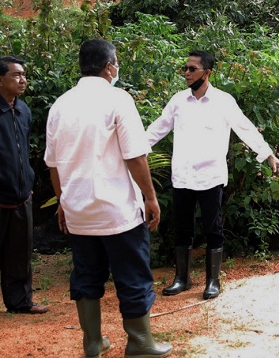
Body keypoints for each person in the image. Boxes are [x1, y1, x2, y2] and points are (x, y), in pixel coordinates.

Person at [44, 39, 172, 358]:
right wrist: (151, 197)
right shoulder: (118, 99)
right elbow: (135, 156)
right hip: (118, 213)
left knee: (86, 274)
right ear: (110, 65)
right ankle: (141, 343)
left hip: (78, 213)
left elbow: (53, 165)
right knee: (132, 274)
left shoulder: (60, 105)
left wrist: (63, 202)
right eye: (116, 63)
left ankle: (92, 343)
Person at [146, 50, 279, 300]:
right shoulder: (178, 101)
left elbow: (244, 127)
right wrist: (131, 150)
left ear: (207, 72)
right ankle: (182, 278)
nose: (187, 73)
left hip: (210, 176)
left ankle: (212, 281)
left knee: (213, 228)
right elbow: (157, 129)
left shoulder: (223, 101)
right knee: (182, 228)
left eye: (192, 69)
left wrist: (268, 154)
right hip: (182, 175)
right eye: (185, 68)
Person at [0, 56, 49, 315]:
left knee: (19, 253)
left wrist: (27, 181)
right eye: (16, 75)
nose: (22, 80)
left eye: (23, 75)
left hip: (22, 195)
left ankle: (20, 302)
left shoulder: (24, 110)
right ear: (0, 79)